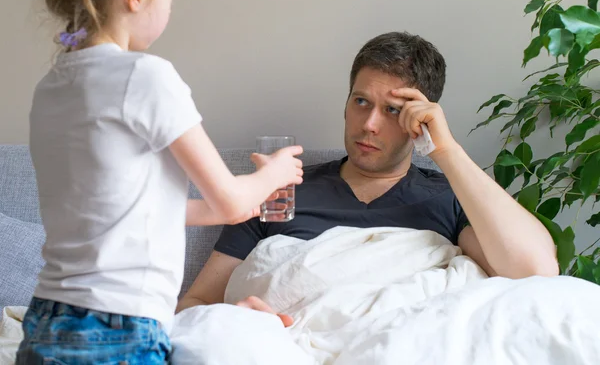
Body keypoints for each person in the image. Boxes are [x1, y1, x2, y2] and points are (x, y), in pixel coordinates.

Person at [17, 0, 303, 363]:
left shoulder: (51, 86)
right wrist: (272, 174)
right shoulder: (146, 77)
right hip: (118, 326)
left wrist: (229, 210)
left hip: (46, 317)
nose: (170, 4)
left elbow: (121, 207)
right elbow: (230, 199)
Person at [177, 31, 559, 324]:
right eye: (361, 102)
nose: (370, 125)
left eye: (392, 110)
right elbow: (192, 305)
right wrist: (238, 318)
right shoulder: (280, 188)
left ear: (421, 121)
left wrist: (446, 151)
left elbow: (535, 272)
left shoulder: (449, 198)